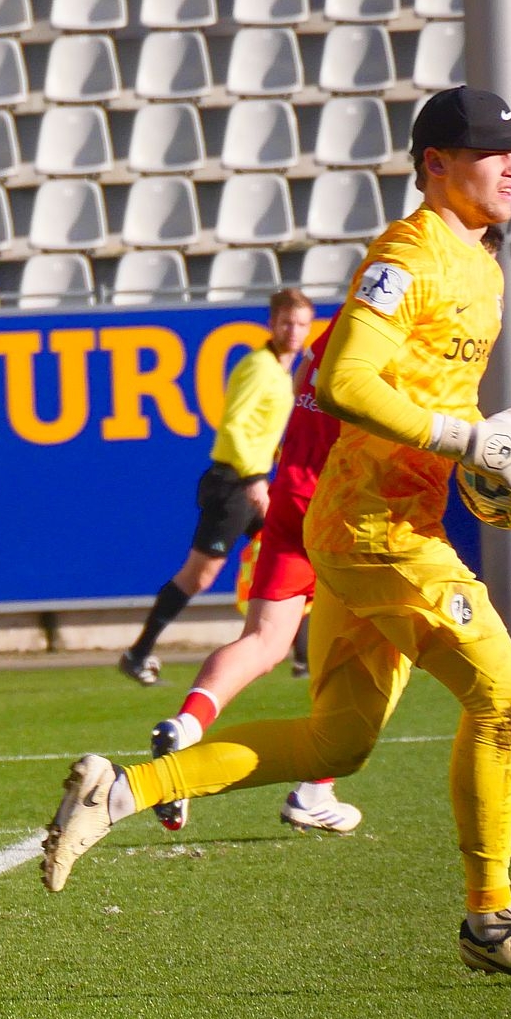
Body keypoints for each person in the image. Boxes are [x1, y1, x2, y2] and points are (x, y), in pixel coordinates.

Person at [41, 87, 511, 986]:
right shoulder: (409, 253)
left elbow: (428, 400)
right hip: (375, 533)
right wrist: (468, 443)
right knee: (505, 697)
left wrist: (489, 464)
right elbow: (342, 380)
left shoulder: (482, 262)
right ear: (435, 165)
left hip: (383, 526)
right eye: (492, 152)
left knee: (339, 745)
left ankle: (125, 789)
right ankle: (490, 921)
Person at [149, 325, 362, 837]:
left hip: (291, 497)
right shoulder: (394, 332)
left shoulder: (333, 334)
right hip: (340, 508)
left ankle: (187, 724)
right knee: (364, 654)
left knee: (263, 640)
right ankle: (315, 789)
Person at [118, 289, 315, 687]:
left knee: (294, 553)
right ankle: (138, 654)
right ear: (271, 324)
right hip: (235, 485)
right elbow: (234, 425)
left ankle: (305, 660)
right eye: (286, 323)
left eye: (300, 324)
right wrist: (254, 479)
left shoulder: (281, 370)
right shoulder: (258, 367)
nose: (293, 331)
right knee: (199, 576)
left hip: (253, 482)